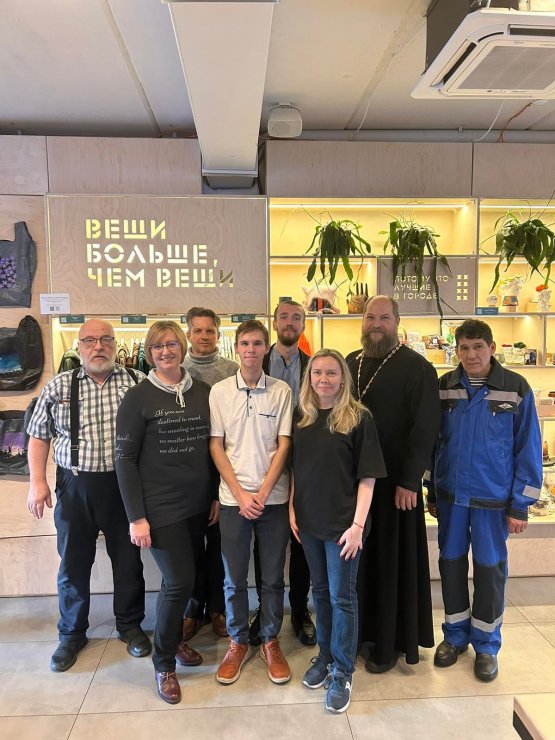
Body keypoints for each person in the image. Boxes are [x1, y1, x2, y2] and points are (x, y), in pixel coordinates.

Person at [26, 319, 150, 673]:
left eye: (106, 339)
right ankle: (71, 634)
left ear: (115, 344)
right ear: (79, 347)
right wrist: (37, 482)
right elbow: (39, 436)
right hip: (74, 486)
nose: (99, 346)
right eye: (90, 340)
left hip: (123, 488)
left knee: (128, 561)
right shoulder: (59, 385)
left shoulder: (137, 382)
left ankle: (130, 626)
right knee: (73, 564)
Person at [427, 319, 542, 682]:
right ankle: (455, 636)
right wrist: (432, 490)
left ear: (491, 348)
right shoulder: (445, 387)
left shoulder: (516, 388)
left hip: (493, 500)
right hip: (451, 498)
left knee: (490, 571)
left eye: (478, 347)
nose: (471, 354)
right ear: (456, 351)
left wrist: (520, 504)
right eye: (464, 347)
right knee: (450, 564)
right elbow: (433, 444)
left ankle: (487, 644)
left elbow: (528, 448)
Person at [115, 320, 218, 704]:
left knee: (185, 582)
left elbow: (212, 448)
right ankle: (163, 664)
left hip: (198, 506)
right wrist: (136, 517)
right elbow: (125, 460)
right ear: (149, 352)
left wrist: (213, 495)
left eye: (172, 344)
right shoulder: (138, 397)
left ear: (183, 347)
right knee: (179, 581)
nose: (165, 351)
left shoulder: (203, 392)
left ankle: (172, 642)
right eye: (158, 346)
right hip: (160, 508)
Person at [346, 295, 441, 673]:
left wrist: (409, 481)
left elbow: (425, 428)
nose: (376, 324)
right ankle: (358, 634)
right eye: (370, 317)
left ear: (397, 322)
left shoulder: (417, 368)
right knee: (358, 563)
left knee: (389, 562)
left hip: (394, 487)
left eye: (384, 318)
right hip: (353, 485)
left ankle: (388, 643)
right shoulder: (349, 362)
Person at [290, 349, 386, 713]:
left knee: (342, 597)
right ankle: (326, 656)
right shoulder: (303, 417)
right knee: (319, 593)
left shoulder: (358, 418)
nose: (324, 379)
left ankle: (343, 670)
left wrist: (358, 525)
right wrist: (292, 508)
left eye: (331, 373)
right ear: (309, 378)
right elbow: (297, 468)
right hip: (309, 523)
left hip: (344, 527)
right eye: (317, 373)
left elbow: (368, 477)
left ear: (343, 378)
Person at [209, 319, 293, 685]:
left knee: (272, 578)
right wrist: (242, 495)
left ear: (266, 347)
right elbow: (216, 446)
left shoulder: (281, 391)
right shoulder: (220, 392)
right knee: (233, 579)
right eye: (245, 343)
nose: (251, 350)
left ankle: (270, 639)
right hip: (233, 500)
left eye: (258, 343)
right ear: (237, 347)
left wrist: (262, 493)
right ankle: (238, 641)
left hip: (273, 500)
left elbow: (285, 445)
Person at [250, 299, 315, 647]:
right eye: (284, 317)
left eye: (296, 318)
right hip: (264, 466)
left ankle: (300, 610)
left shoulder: (314, 366)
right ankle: (264, 609)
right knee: (266, 546)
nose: (290, 322)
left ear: (303, 325)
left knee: (301, 543)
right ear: (274, 323)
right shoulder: (256, 362)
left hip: (304, 466)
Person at [181, 306, 238, 643]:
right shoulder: (175, 369)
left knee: (219, 546)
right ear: (188, 334)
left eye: (210, 331)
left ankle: (217, 608)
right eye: (198, 331)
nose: (204, 336)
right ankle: (192, 607)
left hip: (223, 473)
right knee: (188, 547)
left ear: (218, 334)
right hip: (186, 476)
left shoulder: (232, 371)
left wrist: (221, 486)